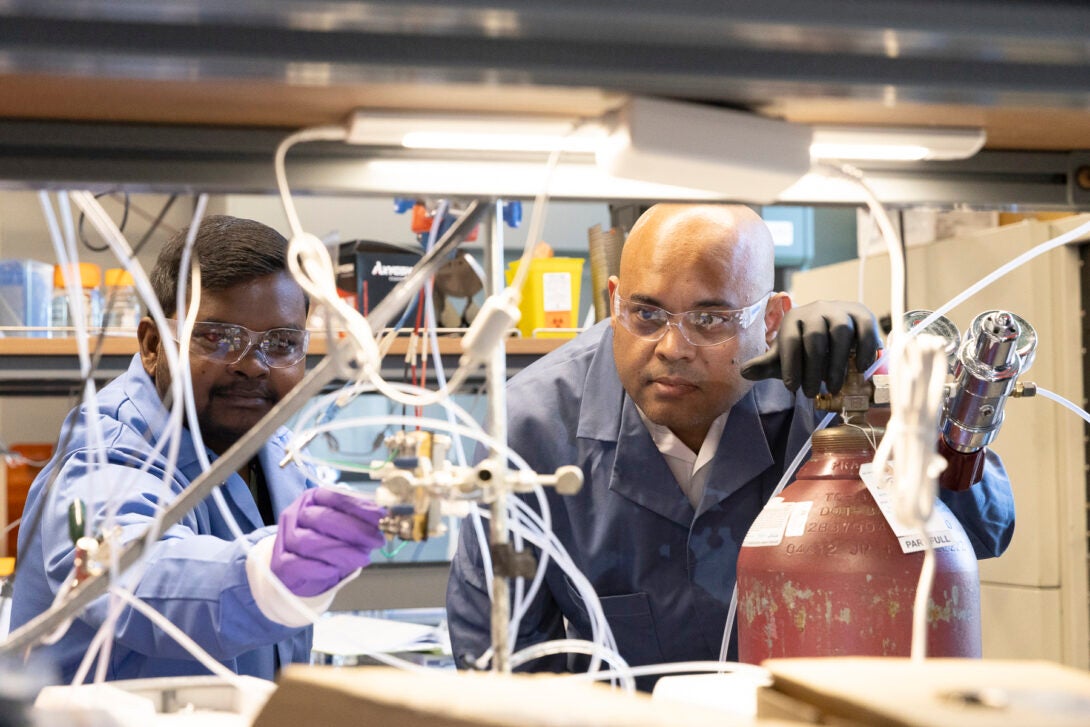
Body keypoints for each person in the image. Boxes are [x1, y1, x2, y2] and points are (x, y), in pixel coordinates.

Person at [446, 203, 1014, 686]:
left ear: (771, 319)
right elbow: (500, 657)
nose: (673, 347)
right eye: (646, 313)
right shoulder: (529, 430)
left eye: (711, 319)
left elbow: (986, 530)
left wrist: (887, 390)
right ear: (613, 300)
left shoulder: (820, 399)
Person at [11, 215, 386, 683]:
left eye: (282, 343)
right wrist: (265, 576)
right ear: (152, 344)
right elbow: (134, 577)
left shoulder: (280, 455)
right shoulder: (104, 454)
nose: (253, 366)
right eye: (217, 338)